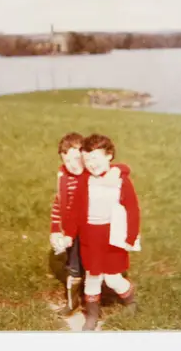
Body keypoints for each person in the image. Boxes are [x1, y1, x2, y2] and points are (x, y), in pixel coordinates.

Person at [62, 133, 141, 331]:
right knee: (93, 276)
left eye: (95, 158)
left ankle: (130, 300)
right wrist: (69, 234)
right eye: (87, 160)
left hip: (113, 238)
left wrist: (131, 236)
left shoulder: (120, 180)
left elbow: (132, 209)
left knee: (113, 278)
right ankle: (92, 315)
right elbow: (75, 211)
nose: (91, 164)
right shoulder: (84, 181)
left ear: (109, 156)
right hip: (90, 238)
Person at [49, 132, 130, 316]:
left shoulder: (93, 173)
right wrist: (55, 230)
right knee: (74, 268)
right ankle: (73, 302)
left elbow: (119, 168)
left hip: (92, 230)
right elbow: (58, 203)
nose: (73, 165)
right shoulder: (64, 176)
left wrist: (120, 170)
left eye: (77, 159)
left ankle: (96, 302)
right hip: (72, 232)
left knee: (95, 268)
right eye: (67, 161)